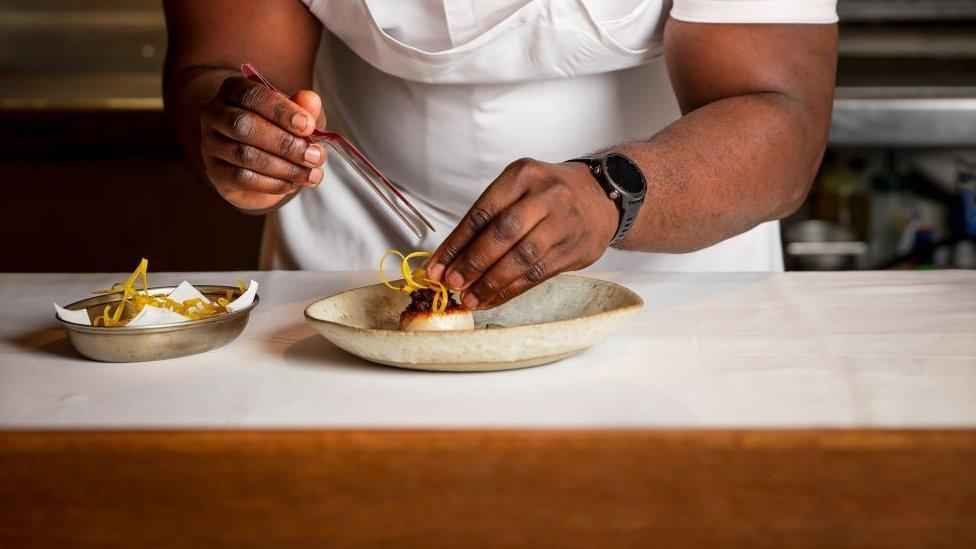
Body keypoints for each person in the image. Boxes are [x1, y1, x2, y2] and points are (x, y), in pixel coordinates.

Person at [163, 0, 837, 309]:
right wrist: (238, 134)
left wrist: (611, 193)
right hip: (354, 268)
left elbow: (780, 113)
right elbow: (220, 60)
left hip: (668, 261)